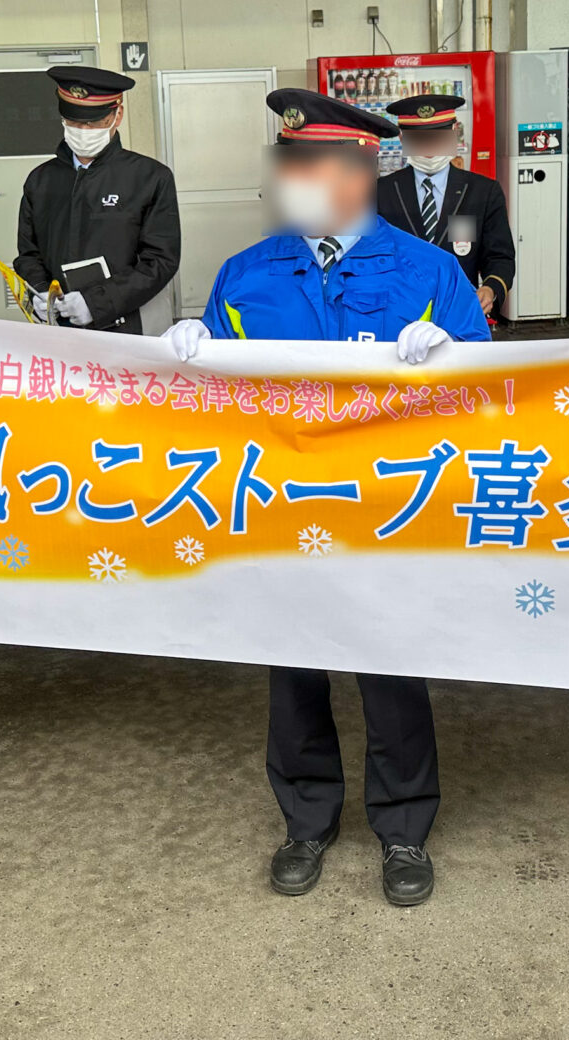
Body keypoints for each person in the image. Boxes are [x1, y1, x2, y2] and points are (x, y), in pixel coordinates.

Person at [162, 89, 490, 907]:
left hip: (390, 509)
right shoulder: (246, 275)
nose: (300, 181)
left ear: (361, 174)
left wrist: (454, 357)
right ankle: (306, 820)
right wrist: (187, 366)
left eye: (318, 166)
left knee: (391, 671)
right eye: (292, 165)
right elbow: (217, 415)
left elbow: (492, 398)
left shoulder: (427, 271)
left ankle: (405, 826)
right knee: (295, 671)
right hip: (285, 507)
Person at [15, 65, 180, 333]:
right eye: (73, 121)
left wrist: (96, 302)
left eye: (93, 122)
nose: (82, 129)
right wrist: (41, 292)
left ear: (117, 115)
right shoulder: (41, 180)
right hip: (60, 325)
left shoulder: (149, 178)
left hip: (127, 324)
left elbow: (161, 261)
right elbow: (28, 253)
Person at [374, 93, 515, 321]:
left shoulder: (483, 192)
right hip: (397, 315)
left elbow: (500, 257)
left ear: (454, 133)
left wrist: (491, 289)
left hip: (460, 313)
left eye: (437, 137)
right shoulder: (381, 192)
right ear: (402, 139)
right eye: (418, 139)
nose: (429, 147)